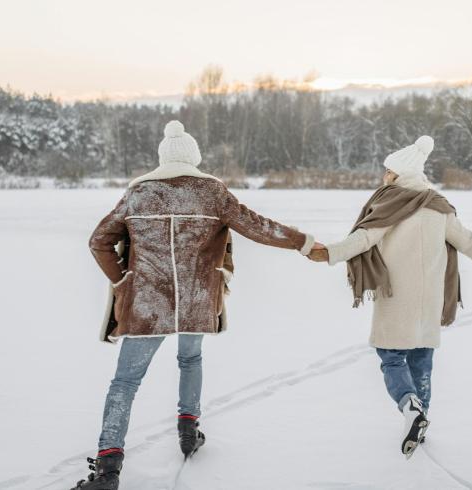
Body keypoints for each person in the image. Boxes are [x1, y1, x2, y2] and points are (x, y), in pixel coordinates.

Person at [74, 121, 322, 490]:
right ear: (194, 158)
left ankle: (108, 468)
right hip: (196, 301)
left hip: (147, 305)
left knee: (125, 382)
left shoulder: (138, 194)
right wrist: (303, 243)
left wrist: (124, 280)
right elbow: (257, 226)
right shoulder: (212, 193)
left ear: (162, 158)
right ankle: (189, 429)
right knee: (190, 360)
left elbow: (99, 241)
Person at [308, 135, 472, 459]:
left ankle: (409, 406)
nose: (383, 176)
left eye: (387, 170)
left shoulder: (391, 205)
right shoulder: (439, 208)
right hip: (430, 300)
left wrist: (330, 252)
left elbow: (363, 238)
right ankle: (421, 421)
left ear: (398, 174)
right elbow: (468, 241)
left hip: (397, 298)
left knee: (390, 356)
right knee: (422, 362)